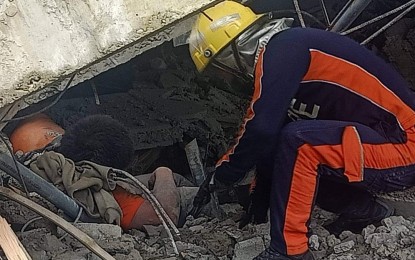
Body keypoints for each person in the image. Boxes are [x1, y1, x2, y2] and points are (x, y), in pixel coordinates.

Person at [188, 1, 415, 259]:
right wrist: (259, 198)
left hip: (405, 147)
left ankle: (289, 251)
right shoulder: (287, 52)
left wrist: (223, 175)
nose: (226, 81)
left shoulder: (282, 50)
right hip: (386, 142)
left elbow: (261, 129)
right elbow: (270, 138)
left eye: (219, 73)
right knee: (292, 143)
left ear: (233, 54)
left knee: (300, 144)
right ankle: (364, 210)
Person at [9, 113, 198, 231]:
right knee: (187, 193)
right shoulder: (112, 198)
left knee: (175, 179)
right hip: (170, 207)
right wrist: (164, 172)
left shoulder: (31, 134)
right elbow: (164, 216)